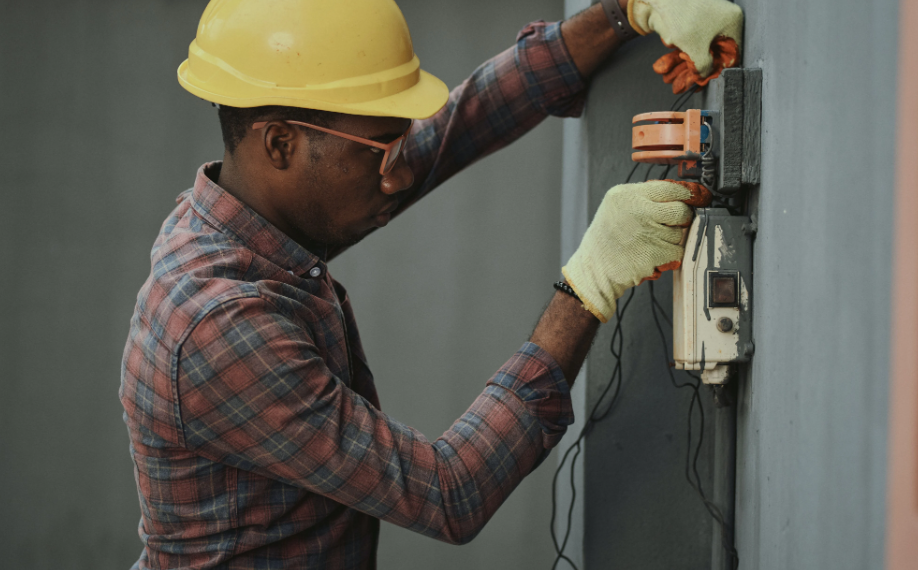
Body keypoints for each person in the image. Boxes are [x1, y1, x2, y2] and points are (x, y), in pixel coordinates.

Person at [119, 0, 743, 568]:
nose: (395, 177)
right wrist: (588, 286)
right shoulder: (220, 325)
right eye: (379, 154)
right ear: (281, 142)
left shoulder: (250, 214)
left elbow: (460, 123)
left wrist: (624, 12)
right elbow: (449, 493)